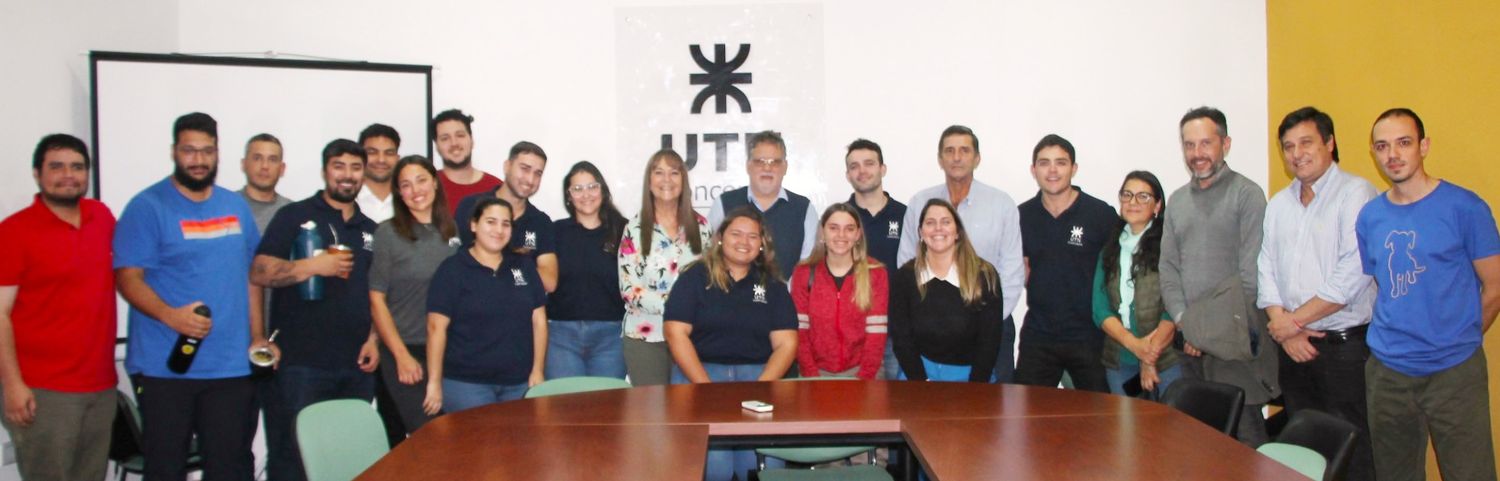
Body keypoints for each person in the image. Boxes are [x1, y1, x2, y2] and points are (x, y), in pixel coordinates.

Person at [114, 112, 264, 480]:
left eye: (206, 151)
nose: (198, 160)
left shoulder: (235, 206)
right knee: (165, 469)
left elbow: (252, 278)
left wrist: (257, 336)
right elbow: (128, 278)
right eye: (189, 151)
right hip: (167, 367)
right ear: (174, 152)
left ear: (218, 153)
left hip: (230, 366)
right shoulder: (147, 207)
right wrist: (170, 316)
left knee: (230, 469)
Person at [1357, 108, 1500, 481]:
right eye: (1383, 146)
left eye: (1404, 143)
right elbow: (1381, 285)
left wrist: (1458, 337)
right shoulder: (1370, 216)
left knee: (1471, 474)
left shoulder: (1465, 208)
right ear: (1373, 153)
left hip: (1453, 374)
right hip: (1387, 373)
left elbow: (1495, 287)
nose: (1393, 155)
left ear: (1424, 146)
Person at [1258, 107, 1378, 480]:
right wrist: (1282, 323)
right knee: (1302, 451)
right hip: (1294, 348)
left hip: (1343, 349)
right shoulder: (1279, 204)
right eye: (1288, 146)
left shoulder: (1356, 193)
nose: (1297, 153)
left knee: (1352, 449)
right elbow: (1266, 268)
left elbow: (1352, 274)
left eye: (1306, 142)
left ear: (1329, 143)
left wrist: (1290, 324)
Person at [251, 139, 380, 481]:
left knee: (349, 458)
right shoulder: (294, 216)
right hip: (301, 365)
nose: (347, 175)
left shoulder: (371, 231)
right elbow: (259, 272)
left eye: (355, 168)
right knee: (292, 459)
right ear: (325, 171)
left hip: (356, 367)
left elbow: (380, 295)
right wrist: (313, 266)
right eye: (339, 166)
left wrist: (374, 339)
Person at [0, 134, 117, 481]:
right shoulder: (14, 232)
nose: (68, 175)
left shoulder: (102, 217)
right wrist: (12, 386)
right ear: (38, 174)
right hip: (43, 391)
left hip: (101, 387)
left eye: (77, 167)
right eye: (57, 166)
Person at [1159, 106, 1277, 446]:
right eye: (1189, 145)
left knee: (1246, 442)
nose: (1197, 154)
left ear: (1225, 143)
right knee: (1200, 443)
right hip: (1190, 346)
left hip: (1235, 344)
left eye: (1206, 143)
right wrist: (1186, 324)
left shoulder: (1247, 194)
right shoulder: (1178, 201)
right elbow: (1168, 269)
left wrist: (1204, 333)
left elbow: (1249, 278)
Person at [663, 207, 797, 481]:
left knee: (761, 465)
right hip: (699, 376)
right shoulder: (695, 277)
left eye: (752, 236)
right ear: (721, 238)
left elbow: (787, 343)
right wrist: (705, 388)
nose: (744, 242)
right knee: (716, 466)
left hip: (759, 377)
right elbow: (675, 332)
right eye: (736, 234)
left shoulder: (773, 285)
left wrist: (761, 387)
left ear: (762, 245)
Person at [897, 126, 1023, 382]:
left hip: (991, 325)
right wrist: (928, 318)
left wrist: (983, 322)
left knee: (990, 411)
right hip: (927, 331)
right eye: (949, 151)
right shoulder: (920, 201)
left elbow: (1012, 270)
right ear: (940, 158)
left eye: (964, 150)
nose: (956, 157)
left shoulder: (1001, 203)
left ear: (977, 158)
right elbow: (907, 259)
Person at [1015, 134, 1118, 392]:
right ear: (1033, 170)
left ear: (1074, 168)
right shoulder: (1021, 216)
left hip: (1089, 335)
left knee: (1098, 420)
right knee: (1024, 415)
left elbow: (1117, 270)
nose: (1052, 170)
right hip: (1039, 334)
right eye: (1044, 163)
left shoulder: (1100, 214)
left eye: (1060, 162)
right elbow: (1019, 268)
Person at [424, 197, 547, 414]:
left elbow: (538, 321)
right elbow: (436, 328)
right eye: (491, 222)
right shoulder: (452, 270)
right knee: (481, 447)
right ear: (474, 225)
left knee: (516, 446)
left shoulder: (524, 266)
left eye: (505, 224)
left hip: (518, 383)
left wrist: (537, 371)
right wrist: (434, 383)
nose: (498, 230)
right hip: (467, 384)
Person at [369, 156, 457, 445]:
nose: (415, 190)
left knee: (459, 436)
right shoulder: (388, 233)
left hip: (449, 351)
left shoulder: (454, 232)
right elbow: (377, 299)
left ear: (434, 181)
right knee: (433, 436)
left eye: (420, 180)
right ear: (398, 193)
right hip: (406, 350)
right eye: (405, 185)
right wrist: (399, 356)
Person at [619, 149, 710, 386]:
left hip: (693, 337)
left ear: (683, 180)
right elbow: (629, 288)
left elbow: (712, 281)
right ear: (649, 182)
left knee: (690, 414)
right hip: (647, 337)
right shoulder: (634, 229)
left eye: (674, 172)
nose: (666, 179)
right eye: (658, 173)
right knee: (653, 418)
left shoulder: (702, 227)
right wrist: (679, 306)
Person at [890, 199, 1004, 383]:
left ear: (957, 231)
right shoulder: (905, 277)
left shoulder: (985, 276)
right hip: (917, 375)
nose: (938, 228)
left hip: (971, 377)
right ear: (921, 232)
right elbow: (902, 339)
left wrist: (975, 388)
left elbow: (989, 341)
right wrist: (922, 383)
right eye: (930, 223)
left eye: (945, 222)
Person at [1092, 171, 1182, 398]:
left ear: (1157, 205)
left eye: (1143, 196)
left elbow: (1175, 304)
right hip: (1120, 358)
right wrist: (1135, 347)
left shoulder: (1169, 247)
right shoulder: (1109, 249)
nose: (1133, 202)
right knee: (1126, 430)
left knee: (1171, 428)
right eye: (1127, 195)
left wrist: (1149, 356)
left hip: (1166, 357)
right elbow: (1100, 309)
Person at [547, 161, 628, 379]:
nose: (586, 194)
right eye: (578, 189)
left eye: (592, 186)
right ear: (568, 196)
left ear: (603, 190)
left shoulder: (624, 230)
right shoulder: (555, 231)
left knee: (606, 410)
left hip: (611, 336)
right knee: (564, 409)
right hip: (561, 336)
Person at [791, 203, 888, 380]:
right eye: (833, 228)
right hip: (815, 372)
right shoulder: (804, 273)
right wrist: (812, 375)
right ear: (822, 232)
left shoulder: (875, 273)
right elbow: (800, 332)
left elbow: (876, 334)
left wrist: (863, 378)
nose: (841, 235)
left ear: (858, 234)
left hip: (863, 371)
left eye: (849, 229)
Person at [708, 130, 819, 280]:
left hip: (786, 300)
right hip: (731, 299)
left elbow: (808, 267)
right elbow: (710, 254)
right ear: (748, 166)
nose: (767, 168)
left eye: (775, 162)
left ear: (785, 167)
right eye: (760, 162)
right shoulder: (724, 203)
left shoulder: (804, 209)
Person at [454, 141, 558, 292]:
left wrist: (503, 267)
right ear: (507, 166)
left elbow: (549, 282)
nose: (530, 179)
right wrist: (521, 266)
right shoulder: (471, 206)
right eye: (524, 169)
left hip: (519, 311)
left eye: (538, 173)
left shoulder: (540, 222)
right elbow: (454, 263)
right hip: (471, 307)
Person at [842, 138, 906, 380]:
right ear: (847, 174)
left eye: (869, 163)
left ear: (883, 169)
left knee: (895, 405)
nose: (862, 171)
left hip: (895, 331)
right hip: (852, 334)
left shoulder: (905, 215)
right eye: (854, 166)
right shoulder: (839, 219)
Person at [431, 109, 502, 215]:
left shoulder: (496, 188)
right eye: (445, 138)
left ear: (472, 140)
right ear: (437, 147)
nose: (454, 143)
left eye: (460, 135)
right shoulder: (428, 188)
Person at [238, 133, 292, 232]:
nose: (265, 166)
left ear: (282, 169)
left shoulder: (292, 212)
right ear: (244, 164)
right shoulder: (227, 207)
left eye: (272, 160)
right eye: (257, 158)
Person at [358, 123, 402, 223]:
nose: (381, 160)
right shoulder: (348, 200)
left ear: (397, 159)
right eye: (372, 152)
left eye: (389, 153)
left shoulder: (409, 199)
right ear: (360, 157)